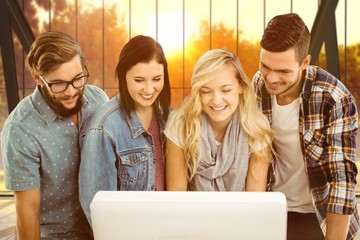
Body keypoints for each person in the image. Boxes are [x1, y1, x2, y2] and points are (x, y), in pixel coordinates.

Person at [252, 13, 359, 240]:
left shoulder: (334, 97)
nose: (271, 78)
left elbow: (342, 182)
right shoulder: (257, 86)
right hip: (275, 211)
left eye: (283, 71)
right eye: (265, 66)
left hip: (319, 216)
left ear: (305, 63)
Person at [0, 31, 108, 239]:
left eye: (78, 79)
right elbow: (27, 212)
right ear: (36, 78)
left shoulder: (98, 100)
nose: (70, 92)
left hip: (100, 232)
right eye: (58, 83)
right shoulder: (20, 130)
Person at [79, 35, 171, 225]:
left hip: (166, 228)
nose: (149, 89)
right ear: (123, 76)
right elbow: (97, 210)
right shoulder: (104, 128)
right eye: (139, 80)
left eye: (157, 79)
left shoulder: (168, 116)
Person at [165, 49, 272, 192]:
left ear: (240, 86)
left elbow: (255, 199)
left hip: (239, 213)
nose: (216, 100)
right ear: (197, 92)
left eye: (226, 90)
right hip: (191, 213)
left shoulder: (256, 127)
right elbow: (176, 198)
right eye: (206, 91)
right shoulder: (180, 124)